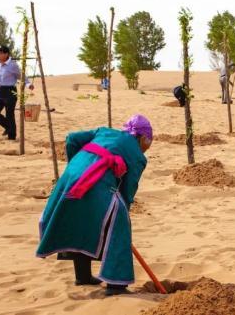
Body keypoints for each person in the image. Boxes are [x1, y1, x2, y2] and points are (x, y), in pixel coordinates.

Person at [36, 114, 153, 296]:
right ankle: (116, 285)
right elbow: (128, 190)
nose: (148, 147)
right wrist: (122, 215)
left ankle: (83, 276)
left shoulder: (104, 131)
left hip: (70, 179)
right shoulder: (137, 155)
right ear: (143, 137)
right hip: (94, 184)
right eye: (149, 141)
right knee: (119, 224)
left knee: (81, 221)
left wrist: (78, 164)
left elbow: (72, 139)